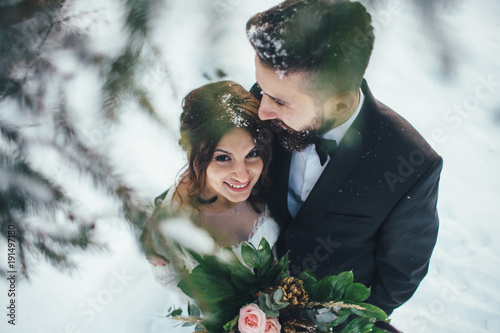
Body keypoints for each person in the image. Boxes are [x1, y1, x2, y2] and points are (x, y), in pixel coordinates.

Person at [246, 0, 443, 315]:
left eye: (280, 102)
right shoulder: (264, 104)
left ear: (338, 105)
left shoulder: (411, 165)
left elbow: (399, 277)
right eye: (262, 89)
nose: (262, 110)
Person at [140, 80, 280, 288]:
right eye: (223, 158)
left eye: (251, 154)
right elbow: (180, 290)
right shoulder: (172, 230)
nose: (242, 176)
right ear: (192, 153)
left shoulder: (272, 169)